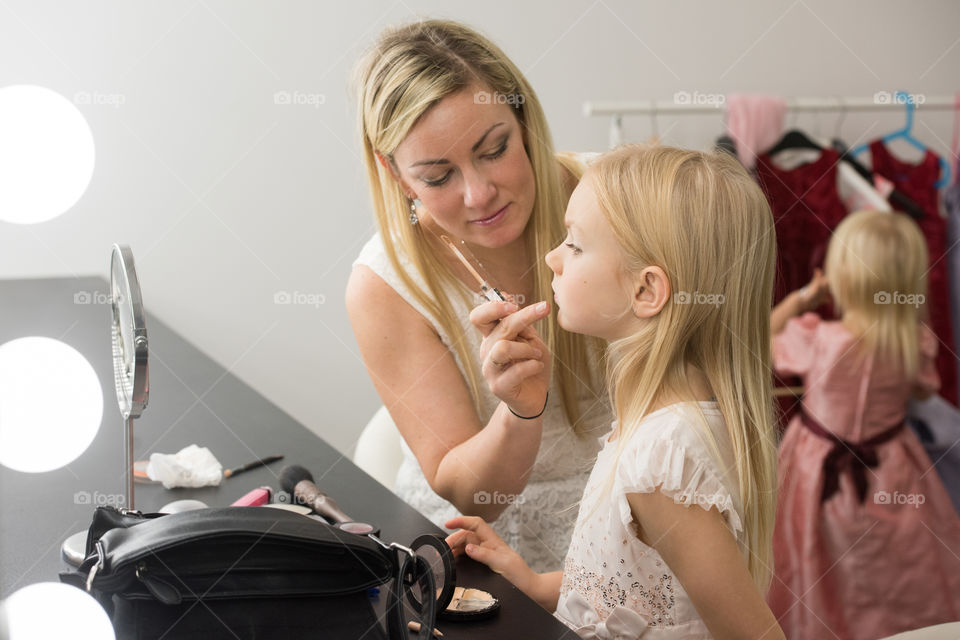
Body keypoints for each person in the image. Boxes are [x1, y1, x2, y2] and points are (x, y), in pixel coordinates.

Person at [447, 144, 786, 639]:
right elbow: (647, 594)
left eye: (575, 245)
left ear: (646, 291)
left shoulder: (661, 463)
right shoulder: (660, 428)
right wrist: (534, 583)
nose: (551, 257)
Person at [346, 19, 611, 573]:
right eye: (438, 176)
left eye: (494, 150)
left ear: (524, 120)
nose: (478, 194)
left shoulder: (613, 198)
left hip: (629, 523)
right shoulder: (383, 286)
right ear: (394, 175)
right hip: (480, 553)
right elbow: (473, 496)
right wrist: (519, 409)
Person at [767, 209, 960, 640]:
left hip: (815, 469)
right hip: (893, 466)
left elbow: (763, 339)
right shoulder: (916, 341)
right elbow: (926, 392)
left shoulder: (817, 337)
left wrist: (802, 299)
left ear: (842, 276)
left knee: (815, 556)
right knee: (898, 559)